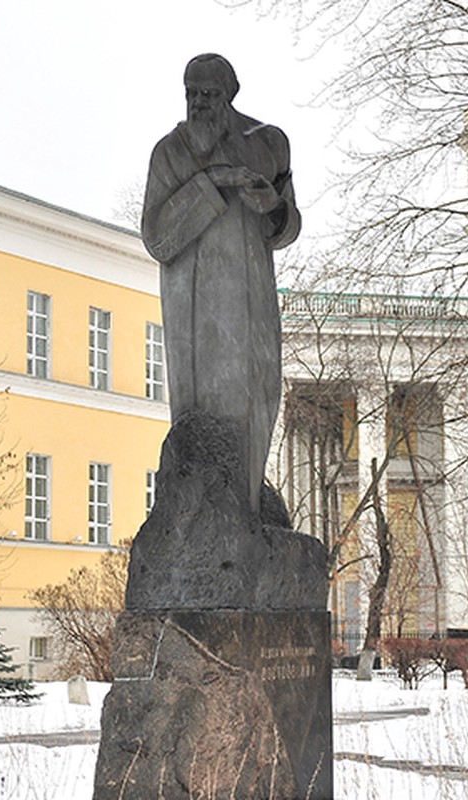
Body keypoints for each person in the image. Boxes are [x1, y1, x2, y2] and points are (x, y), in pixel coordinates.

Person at [142, 53, 301, 515]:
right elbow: (157, 237)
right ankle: (210, 514)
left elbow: (287, 227)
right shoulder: (170, 152)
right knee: (203, 409)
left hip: (252, 297)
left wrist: (273, 204)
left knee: (259, 392)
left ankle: (246, 510)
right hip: (192, 305)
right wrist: (211, 182)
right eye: (191, 93)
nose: (198, 103)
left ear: (228, 94)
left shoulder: (267, 144)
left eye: (208, 94)